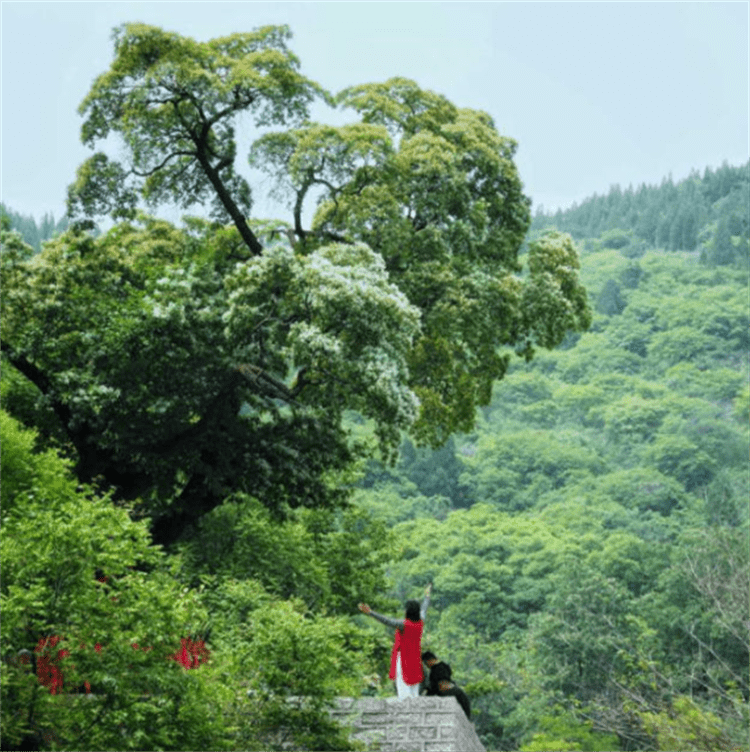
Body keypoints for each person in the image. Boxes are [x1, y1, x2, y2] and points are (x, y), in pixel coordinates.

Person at [358, 583, 431, 700]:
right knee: (414, 683)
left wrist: (371, 612)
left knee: (403, 682)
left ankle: (405, 704)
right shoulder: (420, 621)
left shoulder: (404, 625)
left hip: (404, 657)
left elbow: (387, 621)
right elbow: (424, 608)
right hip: (416, 657)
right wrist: (427, 596)